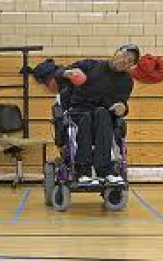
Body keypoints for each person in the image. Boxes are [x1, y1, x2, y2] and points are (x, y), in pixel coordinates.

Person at [55, 44, 140, 184]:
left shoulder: (126, 81)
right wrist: (68, 73)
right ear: (116, 52)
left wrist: (122, 108)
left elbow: (121, 104)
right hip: (79, 111)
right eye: (124, 55)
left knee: (102, 113)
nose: (125, 61)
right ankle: (83, 172)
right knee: (87, 117)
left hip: (103, 115)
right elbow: (58, 73)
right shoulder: (90, 65)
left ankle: (105, 171)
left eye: (130, 61)